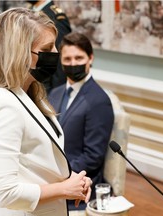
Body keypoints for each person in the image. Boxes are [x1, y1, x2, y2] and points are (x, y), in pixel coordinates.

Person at [0, 8, 92, 216]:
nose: (56, 55)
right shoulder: (1, 102)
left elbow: (37, 162)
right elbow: (4, 192)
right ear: (19, 52)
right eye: (47, 48)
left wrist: (72, 179)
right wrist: (64, 189)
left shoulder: (31, 93)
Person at [48, 32, 114, 210]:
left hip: (78, 183)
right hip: (50, 174)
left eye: (79, 58)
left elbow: (93, 156)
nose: (73, 63)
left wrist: (58, 174)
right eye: (67, 59)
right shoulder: (55, 93)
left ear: (90, 58)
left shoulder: (99, 101)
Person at [26, 0, 72, 92]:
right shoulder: (30, 12)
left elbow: (58, 61)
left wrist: (55, 95)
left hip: (45, 88)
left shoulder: (56, 17)